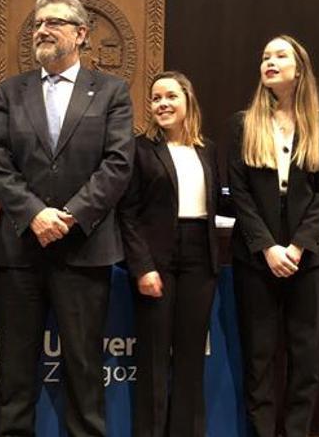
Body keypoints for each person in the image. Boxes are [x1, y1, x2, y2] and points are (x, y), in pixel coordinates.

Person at [0, 0, 134, 436]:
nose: (42, 30)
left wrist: (67, 216)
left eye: (53, 22)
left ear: (81, 33)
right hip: (21, 249)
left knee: (85, 369)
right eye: (37, 23)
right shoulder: (11, 91)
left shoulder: (111, 91)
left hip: (84, 249)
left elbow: (118, 162)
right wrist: (34, 214)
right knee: (14, 370)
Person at [228, 34, 319, 437]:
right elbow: (239, 193)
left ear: (300, 68)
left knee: (305, 357)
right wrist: (268, 248)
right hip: (255, 258)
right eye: (265, 56)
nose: (270, 62)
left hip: (309, 258)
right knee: (259, 358)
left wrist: (295, 247)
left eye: (280, 55)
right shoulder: (244, 123)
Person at [118, 71, 222, 437]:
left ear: (187, 101)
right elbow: (127, 215)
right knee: (154, 358)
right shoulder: (140, 149)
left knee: (191, 357)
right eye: (156, 98)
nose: (162, 104)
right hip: (156, 260)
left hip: (200, 258)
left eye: (170, 97)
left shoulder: (208, 149)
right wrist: (142, 267)